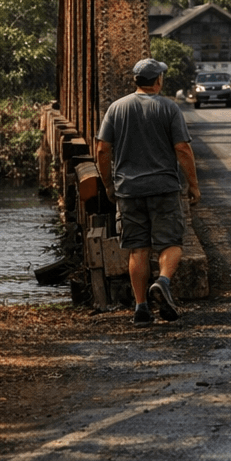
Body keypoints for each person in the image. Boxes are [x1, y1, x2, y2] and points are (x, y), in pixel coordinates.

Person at [96, 58, 201, 327]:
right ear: (158, 81)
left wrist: (108, 184)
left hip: (128, 190)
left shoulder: (116, 109)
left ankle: (141, 307)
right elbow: (182, 149)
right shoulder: (169, 108)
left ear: (135, 81)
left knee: (137, 249)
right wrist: (193, 185)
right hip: (163, 188)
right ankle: (163, 282)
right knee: (172, 243)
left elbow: (102, 150)